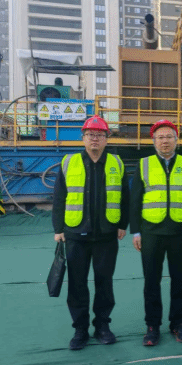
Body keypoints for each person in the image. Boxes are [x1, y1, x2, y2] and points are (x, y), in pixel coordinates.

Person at [53, 115, 130, 351]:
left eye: (99, 134)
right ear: (83, 138)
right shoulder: (69, 162)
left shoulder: (117, 163)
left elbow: (125, 197)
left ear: (107, 138)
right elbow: (59, 197)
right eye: (90, 134)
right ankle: (80, 329)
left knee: (104, 283)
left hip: (106, 235)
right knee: (77, 284)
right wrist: (58, 229)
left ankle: (102, 326)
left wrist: (122, 224)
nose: (95, 138)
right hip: (76, 234)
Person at [130, 120, 182, 346]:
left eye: (169, 137)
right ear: (154, 142)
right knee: (152, 281)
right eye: (160, 137)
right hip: (151, 232)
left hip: (180, 231)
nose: (165, 141)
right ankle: (152, 326)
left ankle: (177, 324)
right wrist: (136, 232)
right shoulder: (144, 164)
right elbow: (135, 199)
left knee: (179, 280)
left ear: (176, 140)